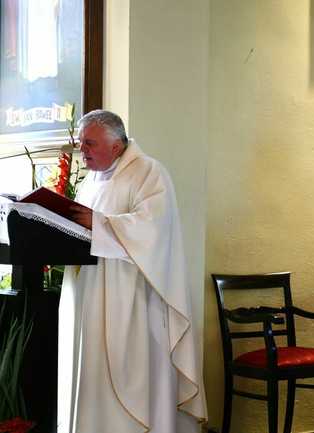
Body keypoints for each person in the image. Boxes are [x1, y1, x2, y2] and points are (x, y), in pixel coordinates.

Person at [58, 110, 207, 433]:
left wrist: (98, 223)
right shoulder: (90, 181)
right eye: (80, 142)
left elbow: (154, 229)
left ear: (115, 145)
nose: (82, 150)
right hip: (92, 295)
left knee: (136, 380)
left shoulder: (149, 173)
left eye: (89, 143)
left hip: (135, 300)